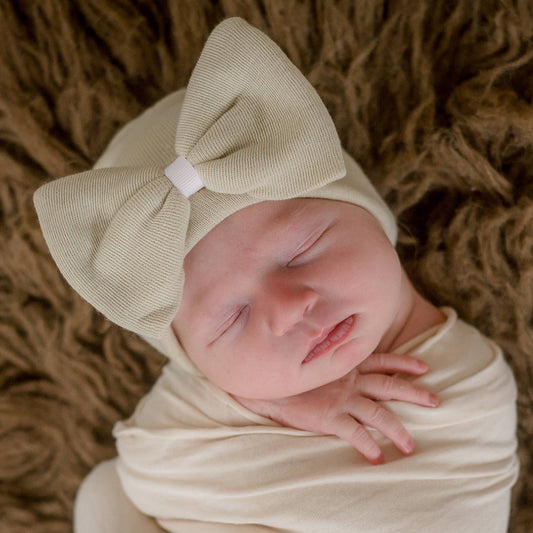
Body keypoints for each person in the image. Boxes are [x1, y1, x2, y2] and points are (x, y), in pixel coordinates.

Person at [34, 17, 519, 533]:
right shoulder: (195, 413)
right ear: (196, 366)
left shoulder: (467, 380)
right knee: (104, 493)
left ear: (371, 216)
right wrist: (270, 407)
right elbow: (149, 460)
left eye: (303, 249)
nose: (290, 306)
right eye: (232, 319)